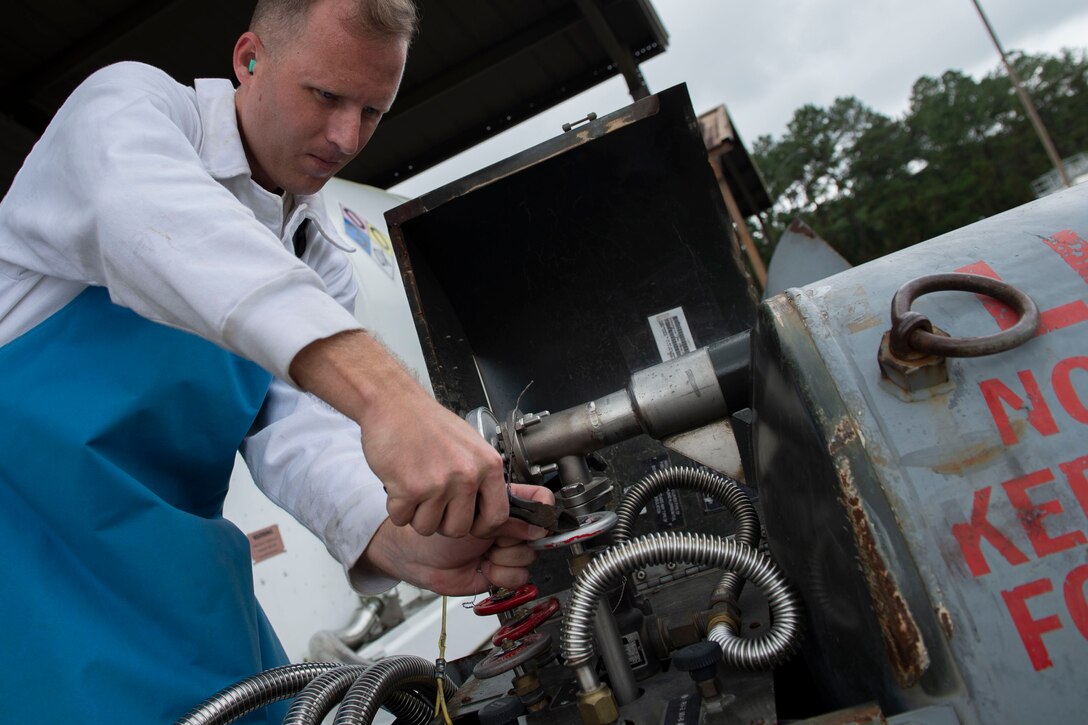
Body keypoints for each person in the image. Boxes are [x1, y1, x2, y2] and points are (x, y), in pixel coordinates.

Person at [0, 0, 551, 722]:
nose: (346, 136)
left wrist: (405, 541)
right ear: (249, 59)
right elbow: (159, 225)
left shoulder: (319, 258)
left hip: (183, 597)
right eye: (325, 97)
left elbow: (299, 437)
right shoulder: (130, 111)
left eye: (373, 111)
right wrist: (392, 398)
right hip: (30, 594)